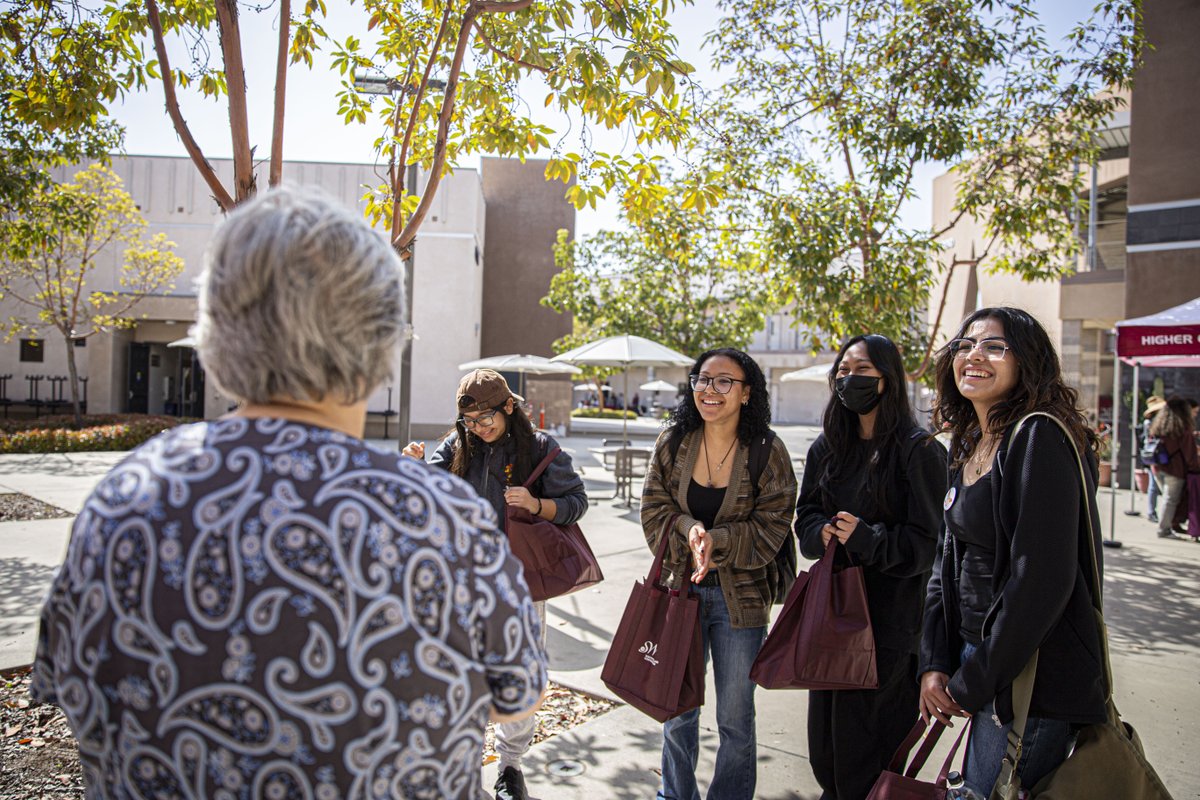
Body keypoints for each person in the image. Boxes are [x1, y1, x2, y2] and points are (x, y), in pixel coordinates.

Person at [30, 186, 548, 798]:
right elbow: (516, 692)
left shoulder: (121, 502)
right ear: (381, 344)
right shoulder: (448, 522)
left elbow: (67, 685)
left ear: (216, 334)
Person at [920, 307, 1107, 799]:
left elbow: (1040, 582)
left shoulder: (1037, 437)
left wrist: (973, 682)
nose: (974, 355)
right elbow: (946, 562)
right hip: (978, 662)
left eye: (995, 346)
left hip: (1028, 679)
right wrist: (934, 660)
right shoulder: (970, 441)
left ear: (1027, 362)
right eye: (965, 345)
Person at [402, 368, 587, 800]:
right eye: (469, 421)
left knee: (518, 674)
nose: (479, 428)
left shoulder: (539, 448)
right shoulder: (457, 445)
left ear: (508, 407)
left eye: (486, 418)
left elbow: (576, 502)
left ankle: (510, 766)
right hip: (460, 584)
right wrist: (413, 470)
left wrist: (537, 503)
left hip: (519, 586)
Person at [793, 334, 948, 800]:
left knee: (869, 760)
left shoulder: (919, 451)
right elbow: (805, 516)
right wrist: (819, 531)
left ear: (887, 380)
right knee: (827, 754)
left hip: (888, 631)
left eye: (860, 371)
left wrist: (868, 539)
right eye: (841, 371)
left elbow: (929, 546)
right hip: (831, 622)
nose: (848, 379)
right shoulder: (828, 447)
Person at [640, 347, 798, 800]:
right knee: (676, 711)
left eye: (724, 381)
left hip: (740, 604)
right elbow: (653, 511)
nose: (710, 390)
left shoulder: (767, 450)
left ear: (747, 393)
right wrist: (690, 530)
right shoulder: (672, 442)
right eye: (702, 380)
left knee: (735, 719)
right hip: (678, 597)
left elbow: (773, 527)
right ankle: (676, 794)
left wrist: (718, 542)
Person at [1148, 394, 1199, 539]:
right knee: (1170, 499)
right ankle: (1164, 529)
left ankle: (1166, 527)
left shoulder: (1159, 426)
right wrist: (1195, 467)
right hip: (1175, 470)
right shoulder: (1183, 428)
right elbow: (1191, 455)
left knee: (1166, 497)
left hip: (1157, 467)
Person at [1141, 395, 1166, 522]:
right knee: (1153, 485)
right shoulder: (1151, 422)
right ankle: (1151, 512)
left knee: (1154, 484)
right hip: (1154, 455)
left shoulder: (1152, 421)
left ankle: (1152, 511)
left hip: (1153, 454)